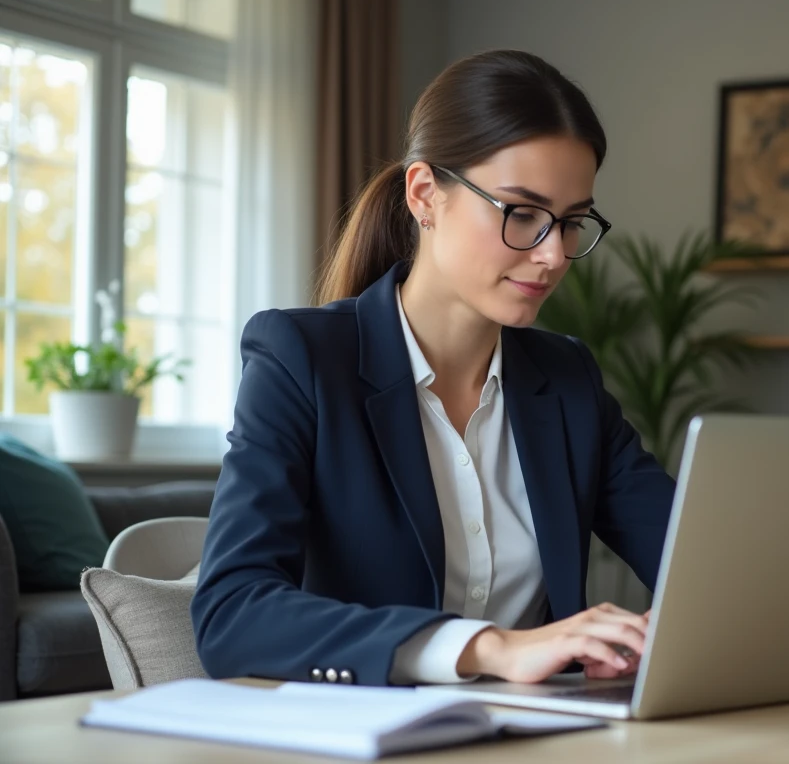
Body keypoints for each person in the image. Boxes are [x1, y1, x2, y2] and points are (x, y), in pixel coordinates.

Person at [190, 49, 676, 689]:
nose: (555, 254)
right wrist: (491, 648)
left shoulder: (567, 380)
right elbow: (231, 615)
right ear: (425, 194)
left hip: (545, 736)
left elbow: (696, 561)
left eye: (573, 221)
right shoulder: (302, 359)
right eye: (521, 213)